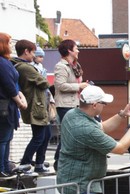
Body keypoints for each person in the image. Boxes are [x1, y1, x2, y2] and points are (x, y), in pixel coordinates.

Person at [11, 41, 51, 174]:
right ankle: (25, 163)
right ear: (26, 51)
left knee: (46, 135)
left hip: (39, 104)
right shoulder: (24, 67)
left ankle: (39, 163)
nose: (34, 55)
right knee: (39, 137)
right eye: (33, 52)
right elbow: (44, 83)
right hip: (35, 105)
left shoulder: (22, 66)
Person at [53, 39, 90, 170]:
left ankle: (62, 161)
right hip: (65, 105)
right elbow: (60, 85)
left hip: (74, 103)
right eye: (76, 48)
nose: (78, 50)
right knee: (68, 134)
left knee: (72, 134)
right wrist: (79, 86)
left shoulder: (75, 66)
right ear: (69, 50)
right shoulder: (61, 66)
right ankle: (58, 161)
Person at [0, 33, 27, 178]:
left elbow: (14, 85)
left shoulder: (6, 62)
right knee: (3, 138)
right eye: (9, 43)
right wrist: (19, 100)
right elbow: (9, 85)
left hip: (9, 105)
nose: (11, 46)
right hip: (4, 107)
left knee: (7, 138)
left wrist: (20, 96)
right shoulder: (2, 63)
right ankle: (2, 168)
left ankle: (5, 166)